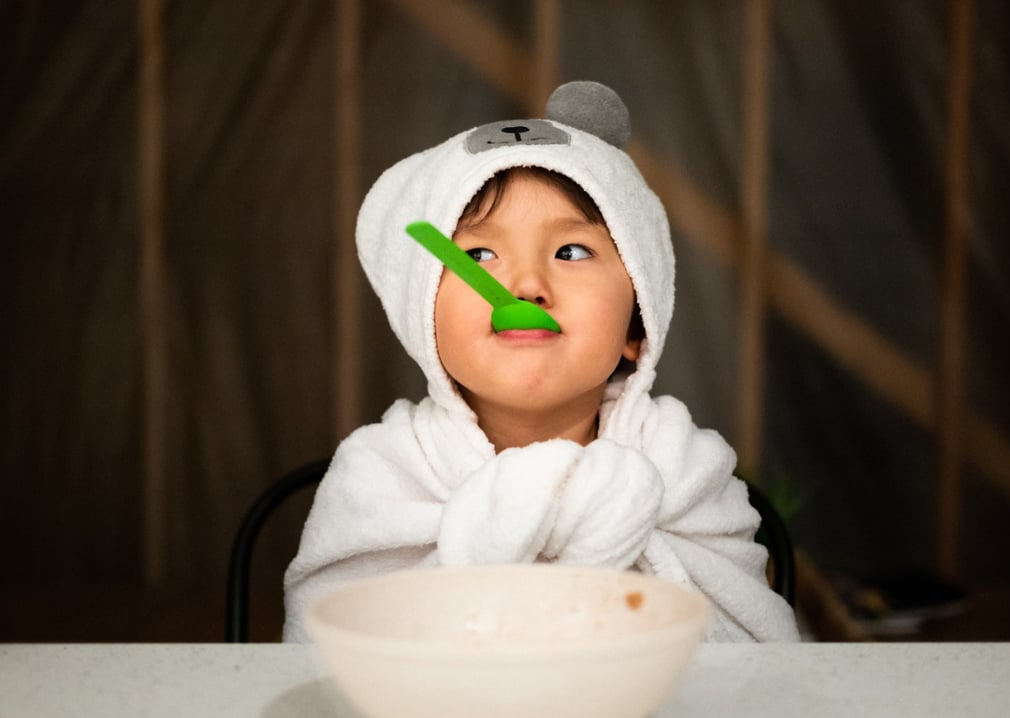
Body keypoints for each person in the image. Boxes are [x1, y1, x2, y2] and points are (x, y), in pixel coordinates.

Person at [283, 81, 799, 642]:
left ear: (636, 326)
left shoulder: (686, 470)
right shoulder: (380, 476)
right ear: (421, 315)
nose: (527, 285)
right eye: (479, 254)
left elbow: (749, 669)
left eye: (571, 252)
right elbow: (332, 663)